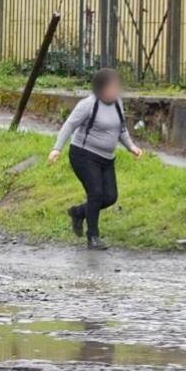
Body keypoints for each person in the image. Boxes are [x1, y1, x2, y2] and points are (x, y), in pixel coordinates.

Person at [47, 68, 143, 250]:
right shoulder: (88, 104)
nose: (116, 90)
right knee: (96, 194)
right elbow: (69, 125)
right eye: (112, 86)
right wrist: (56, 149)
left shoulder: (117, 104)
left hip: (107, 158)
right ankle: (93, 237)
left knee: (110, 197)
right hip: (84, 155)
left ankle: (78, 212)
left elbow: (121, 129)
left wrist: (131, 147)